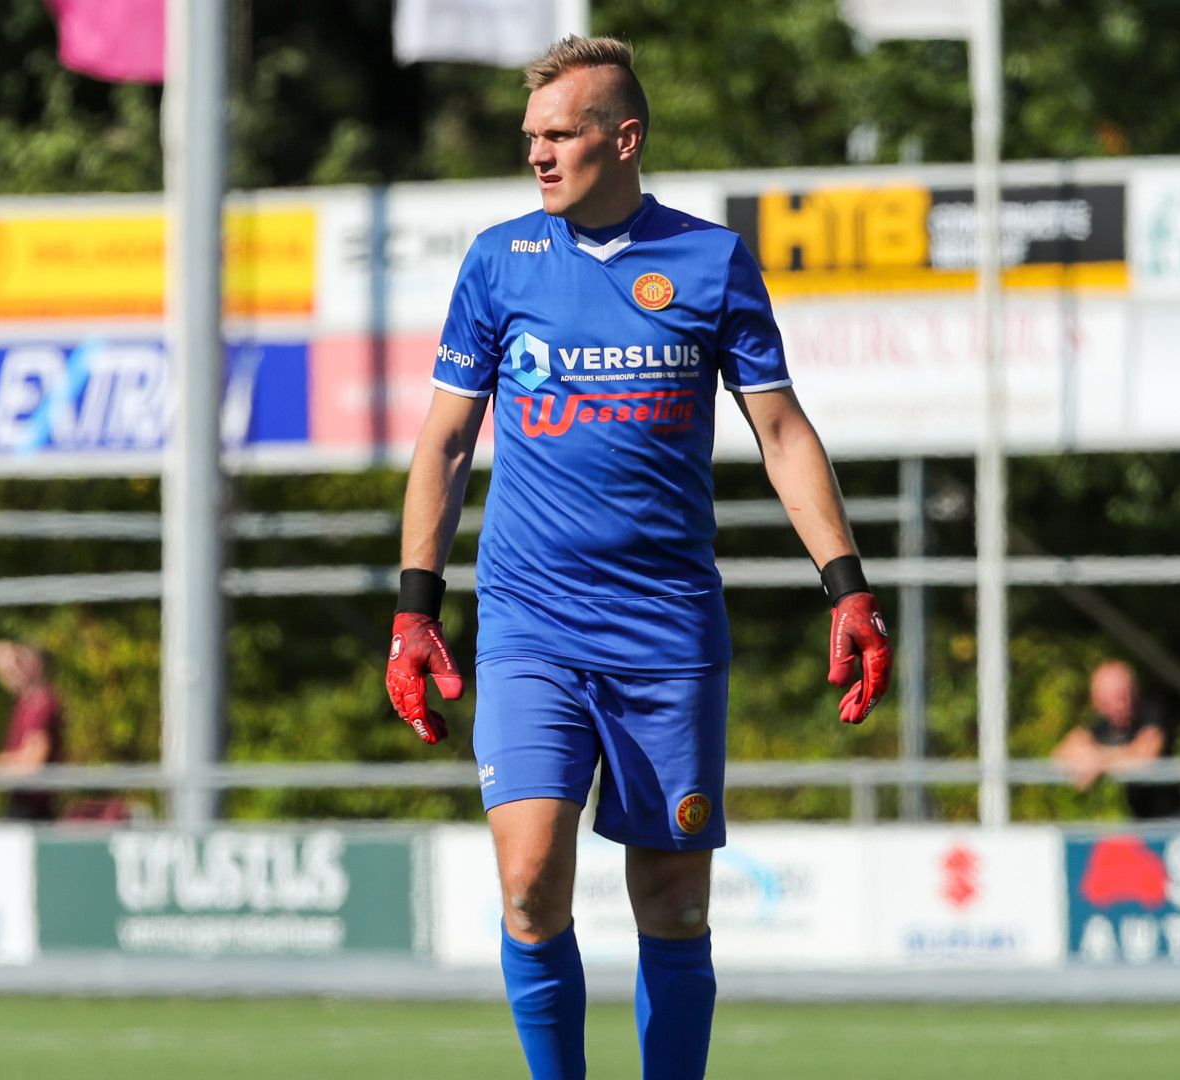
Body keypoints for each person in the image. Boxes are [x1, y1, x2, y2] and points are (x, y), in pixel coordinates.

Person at [384, 36, 891, 1080]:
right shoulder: (498, 262)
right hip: (530, 625)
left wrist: (848, 588)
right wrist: (414, 609)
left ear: (625, 139)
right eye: (530, 136)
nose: (538, 155)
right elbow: (441, 441)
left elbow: (783, 432)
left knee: (672, 900)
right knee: (529, 882)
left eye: (560, 134)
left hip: (667, 633)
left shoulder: (710, 262)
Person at [1052, 659, 1180, 819]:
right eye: (1109, 700)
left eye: (1123, 695)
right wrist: (1099, 759)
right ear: (1097, 702)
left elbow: (1144, 758)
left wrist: (1098, 760)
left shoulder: (1153, 711)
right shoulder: (1103, 723)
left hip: (1171, 821)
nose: (1120, 705)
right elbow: (1061, 754)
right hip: (1137, 821)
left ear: (1134, 691)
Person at [0, 639, 64, 821]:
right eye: (2, 671)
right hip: (23, 805)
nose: (9, 675)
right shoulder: (25, 703)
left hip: (32, 810)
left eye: (16, 664)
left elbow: (33, 762)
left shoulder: (40, 703)